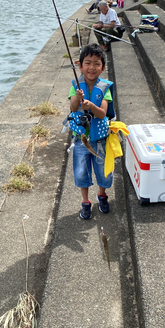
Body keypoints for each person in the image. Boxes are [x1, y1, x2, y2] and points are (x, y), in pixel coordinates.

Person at [68, 43, 115, 220]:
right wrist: (77, 99)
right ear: (80, 66)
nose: (92, 67)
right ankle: (85, 201)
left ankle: (102, 194)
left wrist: (91, 106)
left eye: (97, 63)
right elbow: (73, 109)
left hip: (100, 139)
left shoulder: (105, 88)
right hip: (81, 139)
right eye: (87, 63)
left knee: (103, 169)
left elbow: (102, 112)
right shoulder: (75, 85)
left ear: (103, 68)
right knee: (81, 170)